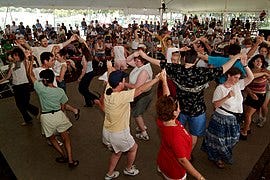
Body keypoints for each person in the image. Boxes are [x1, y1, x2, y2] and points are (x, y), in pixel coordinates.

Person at [137, 48, 243, 152]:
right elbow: (224, 68)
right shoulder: (203, 72)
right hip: (197, 110)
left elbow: (159, 63)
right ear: (196, 59)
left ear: (183, 58)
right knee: (194, 134)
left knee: (176, 132)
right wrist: (236, 57)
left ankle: (177, 151)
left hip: (179, 108)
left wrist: (145, 56)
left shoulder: (176, 69)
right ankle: (188, 153)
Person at [103, 62, 162, 179]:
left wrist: (109, 67)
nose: (125, 81)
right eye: (123, 80)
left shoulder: (108, 90)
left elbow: (111, 74)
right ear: (120, 83)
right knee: (133, 148)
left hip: (107, 132)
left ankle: (109, 174)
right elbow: (139, 90)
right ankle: (129, 169)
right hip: (119, 133)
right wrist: (156, 79)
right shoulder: (122, 96)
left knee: (117, 152)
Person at [27, 56, 79, 168]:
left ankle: (63, 155)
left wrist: (30, 61)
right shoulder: (60, 91)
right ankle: (70, 160)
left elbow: (30, 75)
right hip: (59, 115)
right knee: (66, 139)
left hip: (46, 117)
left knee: (51, 138)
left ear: (44, 80)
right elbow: (63, 106)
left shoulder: (41, 89)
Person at [201, 61, 254, 168]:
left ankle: (219, 156)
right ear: (228, 75)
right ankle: (217, 158)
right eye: (235, 77)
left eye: (239, 78)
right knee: (220, 142)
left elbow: (251, 77)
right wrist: (227, 97)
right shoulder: (220, 88)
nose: (237, 80)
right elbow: (216, 105)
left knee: (233, 139)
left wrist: (245, 65)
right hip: (221, 118)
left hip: (234, 118)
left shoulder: (238, 85)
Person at [156, 70, 206, 180]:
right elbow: (182, 160)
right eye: (177, 106)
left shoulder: (162, 119)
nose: (179, 108)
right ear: (174, 112)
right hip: (174, 170)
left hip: (164, 160)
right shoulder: (176, 136)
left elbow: (166, 98)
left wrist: (164, 81)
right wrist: (200, 177)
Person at [0, 47, 39, 126]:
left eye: (17, 55)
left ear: (20, 55)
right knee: (19, 105)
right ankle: (28, 119)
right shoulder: (12, 65)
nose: (15, 57)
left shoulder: (24, 62)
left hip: (24, 86)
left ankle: (37, 112)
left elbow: (29, 72)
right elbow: (7, 77)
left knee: (25, 103)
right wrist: (0, 81)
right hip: (16, 87)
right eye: (14, 55)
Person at [241, 54, 270, 140]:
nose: (259, 63)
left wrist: (265, 74)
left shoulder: (266, 71)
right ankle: (248, 128)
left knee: (247, 115)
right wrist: (250, 93)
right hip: (250, 95)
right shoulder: (249, 71)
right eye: (257, 61)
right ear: (253, 62)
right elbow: (245, 82)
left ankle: (244, 132)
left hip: (259, 96)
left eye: (261, 61)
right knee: (246, 113)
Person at [125, 54, 153, 140]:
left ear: (143, 61)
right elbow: (127, 60)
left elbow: (137, 87)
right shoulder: (140, 65)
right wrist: (134, 54)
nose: (135, 62)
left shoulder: (144, 71)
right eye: (135, 60)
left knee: (137, 114)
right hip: (137, 94)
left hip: (142, 95)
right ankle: (141, 125)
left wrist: (124, 84)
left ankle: (144, 133)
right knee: (137, 112)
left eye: (137, 61)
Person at [77, 43, 100, 107]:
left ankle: (96, 98)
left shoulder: (84, 56)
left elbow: (84, 69)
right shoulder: (88, 54)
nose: (78, 50)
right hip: (90, 73)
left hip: (87, 74)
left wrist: (80, 77)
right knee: (85, 89)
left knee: (81, 89)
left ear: (80, 49)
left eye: (78, 49)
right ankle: (89, 103)